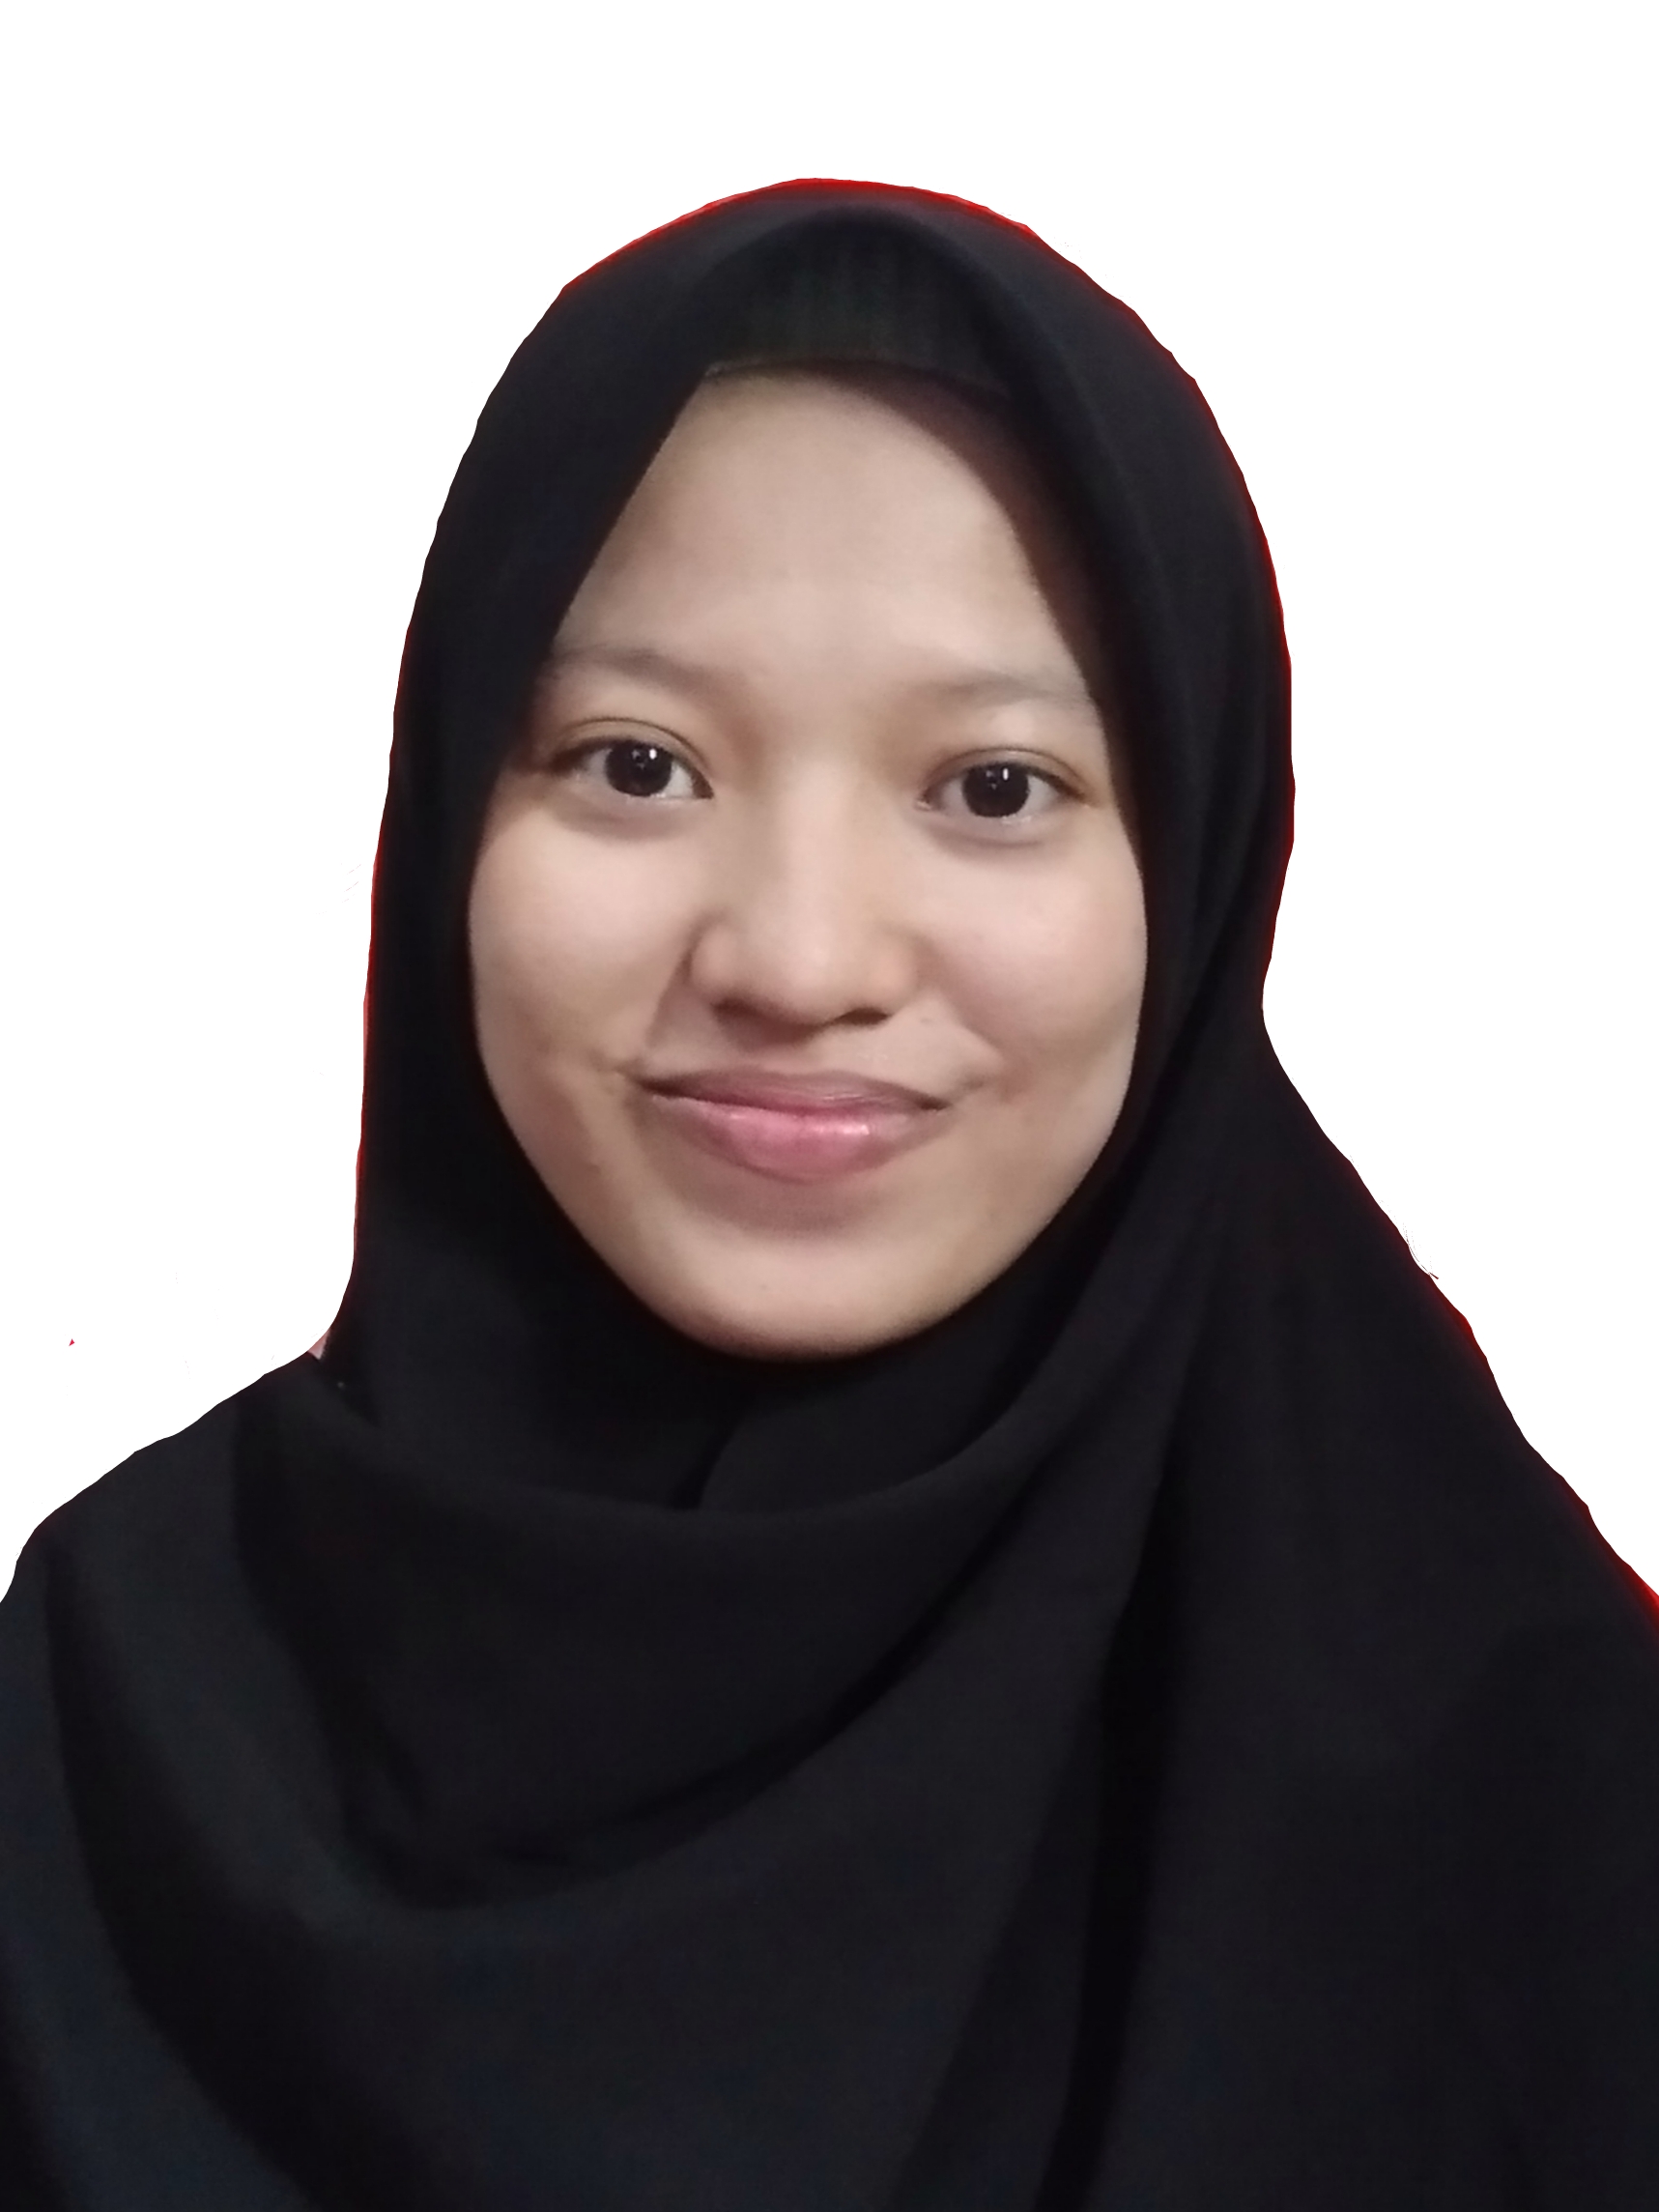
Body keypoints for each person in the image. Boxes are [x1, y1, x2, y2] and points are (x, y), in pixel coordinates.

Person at [2, 178, 1656, 2212]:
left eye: (992, 787)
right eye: (633, 763)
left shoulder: (1523, 1771)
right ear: (442, 807)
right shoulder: (112, 1699)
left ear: (1198, 858)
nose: (795, 957)